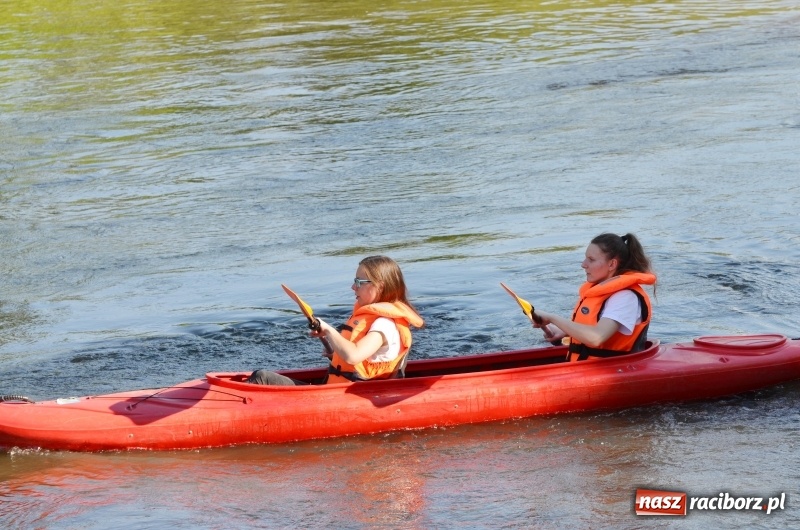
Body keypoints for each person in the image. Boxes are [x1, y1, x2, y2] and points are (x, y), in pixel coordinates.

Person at [247, 255, 424, 385]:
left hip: (351, 398)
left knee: (262, 378)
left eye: (360, 282)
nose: (353, 287)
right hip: (339, 392)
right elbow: (362, 358)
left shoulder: (384, 324)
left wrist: (329, 329)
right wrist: (334, 352)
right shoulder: (379, 320)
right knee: (261, 377)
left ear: (380, 287)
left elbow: (353, 355)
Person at [531, 233, 656, 362]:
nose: (583, 264)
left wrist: (553, 318)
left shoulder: (626, 297)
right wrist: (563, 331)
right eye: (586, 258)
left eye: (591, 259)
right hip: (583, 367)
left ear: (612, 264)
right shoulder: (602, 292)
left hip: (613, 370)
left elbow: (596, 337)